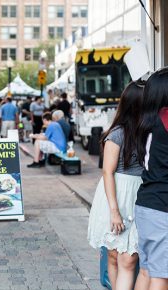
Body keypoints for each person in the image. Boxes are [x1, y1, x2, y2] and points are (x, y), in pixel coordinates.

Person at [87, 81, 144, 290]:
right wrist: (114, 211)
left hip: (139, 195)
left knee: (128, 257)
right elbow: (108, 172)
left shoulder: (148, 131)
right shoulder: (117, 134)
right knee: (113, 254)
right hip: (117, 196)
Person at [134, 68, 168, 290]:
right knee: (161, 276)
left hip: (146, 205)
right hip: (162, 207)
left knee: (146, 271)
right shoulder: (165, 117)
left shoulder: (146, 121)